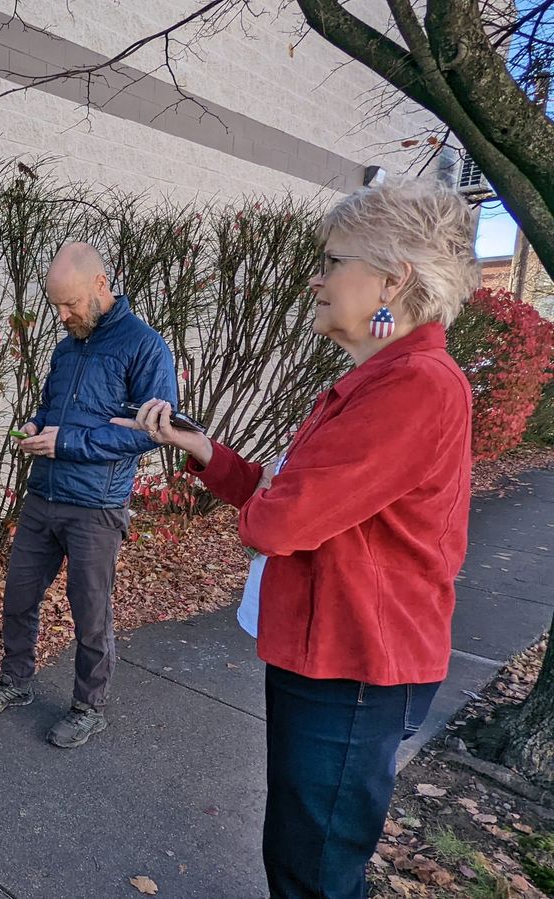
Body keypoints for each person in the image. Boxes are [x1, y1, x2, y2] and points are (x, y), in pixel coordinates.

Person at [114, 178, 477, 898]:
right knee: (303, 849)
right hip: (334, 654)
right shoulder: (375, 378)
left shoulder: (413, 386)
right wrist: (204, 450)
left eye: (334, 259)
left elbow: (279, 521)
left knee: (312, 868)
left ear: (392, 278)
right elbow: (280, 497)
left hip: (357, 666)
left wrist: (270, 503)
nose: (317, 275)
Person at [0, 242, 178, 748]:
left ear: (101, 286)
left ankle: (89, 705)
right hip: (43, 494)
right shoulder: (67, 346)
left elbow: (153, 430)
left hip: (97, 507)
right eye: (55, 305)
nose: (62, 316)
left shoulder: (145, 347)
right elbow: (49, 406)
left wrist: (66, 441)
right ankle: (16, 681)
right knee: (18, 596)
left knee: (90, 612)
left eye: (71, 304)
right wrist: (36, 425)